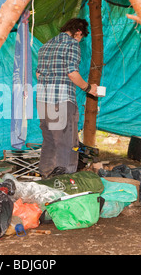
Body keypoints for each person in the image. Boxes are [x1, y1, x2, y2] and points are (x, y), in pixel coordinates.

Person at [36, 18, 98, 179]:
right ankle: (65, 180)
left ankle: (46, 177)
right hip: (61, 100)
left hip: (43, 100)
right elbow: (72, 73)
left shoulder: (45, 46)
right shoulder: (71, 44)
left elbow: (38, 74)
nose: (80, 40)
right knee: (67, 143)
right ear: (78, 32)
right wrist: (89, 88)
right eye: (81, 37)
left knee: (49, 141)